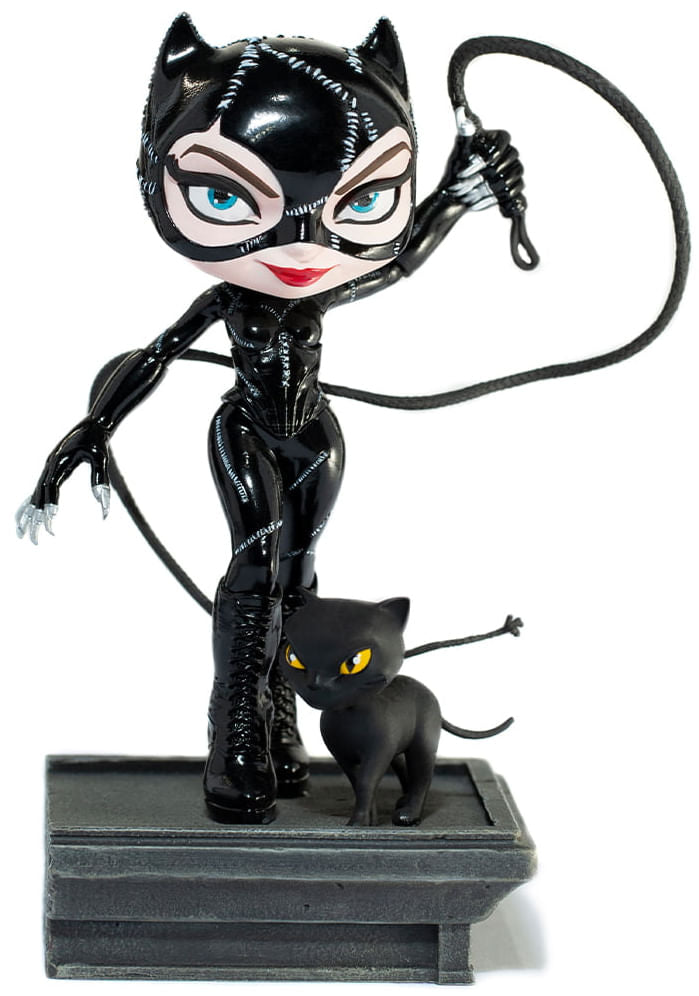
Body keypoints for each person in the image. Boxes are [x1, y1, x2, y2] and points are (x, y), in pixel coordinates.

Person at [16, 15, 529, 823]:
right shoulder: (230, 300)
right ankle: (237, 736)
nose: (299, 246)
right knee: (253, 574)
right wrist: (87, 434)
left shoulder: (319, 292)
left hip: (315, 436)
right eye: (223, 194)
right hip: (247, 431)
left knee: (299, 574)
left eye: (361, 198)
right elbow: (154, 356)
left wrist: (460, 191)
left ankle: (281, 718)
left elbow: (399, 259)